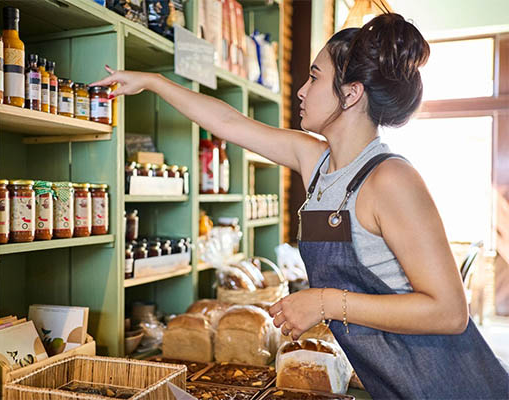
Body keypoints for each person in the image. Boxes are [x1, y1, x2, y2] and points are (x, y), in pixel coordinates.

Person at [91, 12, 509, 399]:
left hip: (446, 381)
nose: (301, 90)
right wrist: (152, 82)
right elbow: (229, 124)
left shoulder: (391, 180)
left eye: (314, 78)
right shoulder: (317, 160)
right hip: (393, 380)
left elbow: (450, 312)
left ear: (351, 93)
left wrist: (324, 301)